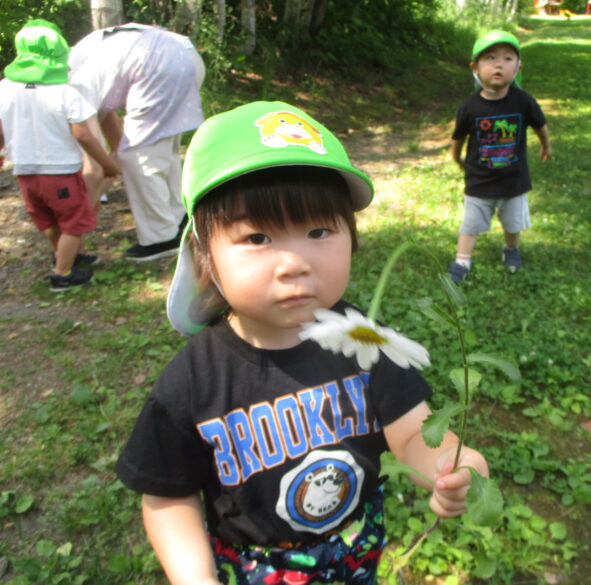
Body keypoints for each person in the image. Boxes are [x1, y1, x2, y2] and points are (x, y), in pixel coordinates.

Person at [115, 101, 489, 585]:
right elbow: (169, 497)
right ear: (204, 257)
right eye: (257, 238)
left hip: (355, 548)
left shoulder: (363, 339)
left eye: (318, 231)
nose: (294, 262)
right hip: (253, 567)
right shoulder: (194, 380)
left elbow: (413, 432)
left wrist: (449, 464)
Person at [68, 23, 205, 261]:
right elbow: (112, 138)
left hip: (156, 63)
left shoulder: (74, 87)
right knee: (161, 149)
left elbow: (93, 165)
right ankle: (178, 218)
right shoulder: (83, 64)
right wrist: (110, 167)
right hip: (185, 55)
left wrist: (81, 214)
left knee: (138, 156)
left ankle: (161, 237)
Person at [0, 19, 120, 291]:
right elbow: (84, 135)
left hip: (25, 173)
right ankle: (62, 273)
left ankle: (67, 254)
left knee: (49, 220)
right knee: (75, 223)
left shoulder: (4, 88)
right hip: (60, 173)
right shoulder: (65, 93)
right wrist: (107, 164)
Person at [448, 30, 552, 283]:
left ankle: (511, 249)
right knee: (471, 224)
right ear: (475, 67)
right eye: (490, 58)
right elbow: (458, 137)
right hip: (479, 181)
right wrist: (456, 157)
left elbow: (540, 124)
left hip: (513, 180)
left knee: (512, 223)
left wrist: (546, 146)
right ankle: (462, 260)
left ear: (517, 67)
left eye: (507, 59)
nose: (498, 64)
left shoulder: (524, 102)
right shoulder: (470, 106)